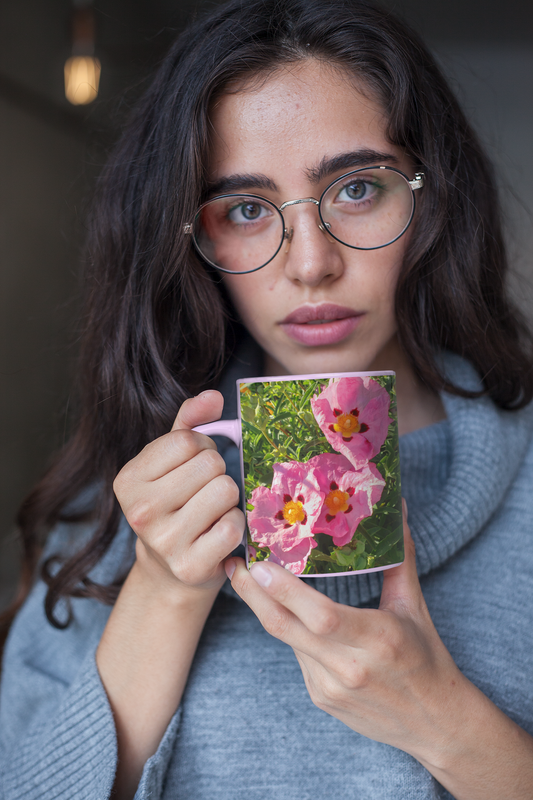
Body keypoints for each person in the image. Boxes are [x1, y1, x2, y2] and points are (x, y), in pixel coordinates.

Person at [1, 0, 533, 798]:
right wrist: (162, 592)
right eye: (246, 210)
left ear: (431, 198)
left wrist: (446, 723)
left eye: (357, 189)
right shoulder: (117, 503)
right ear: (193, 239)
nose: (310, 263)